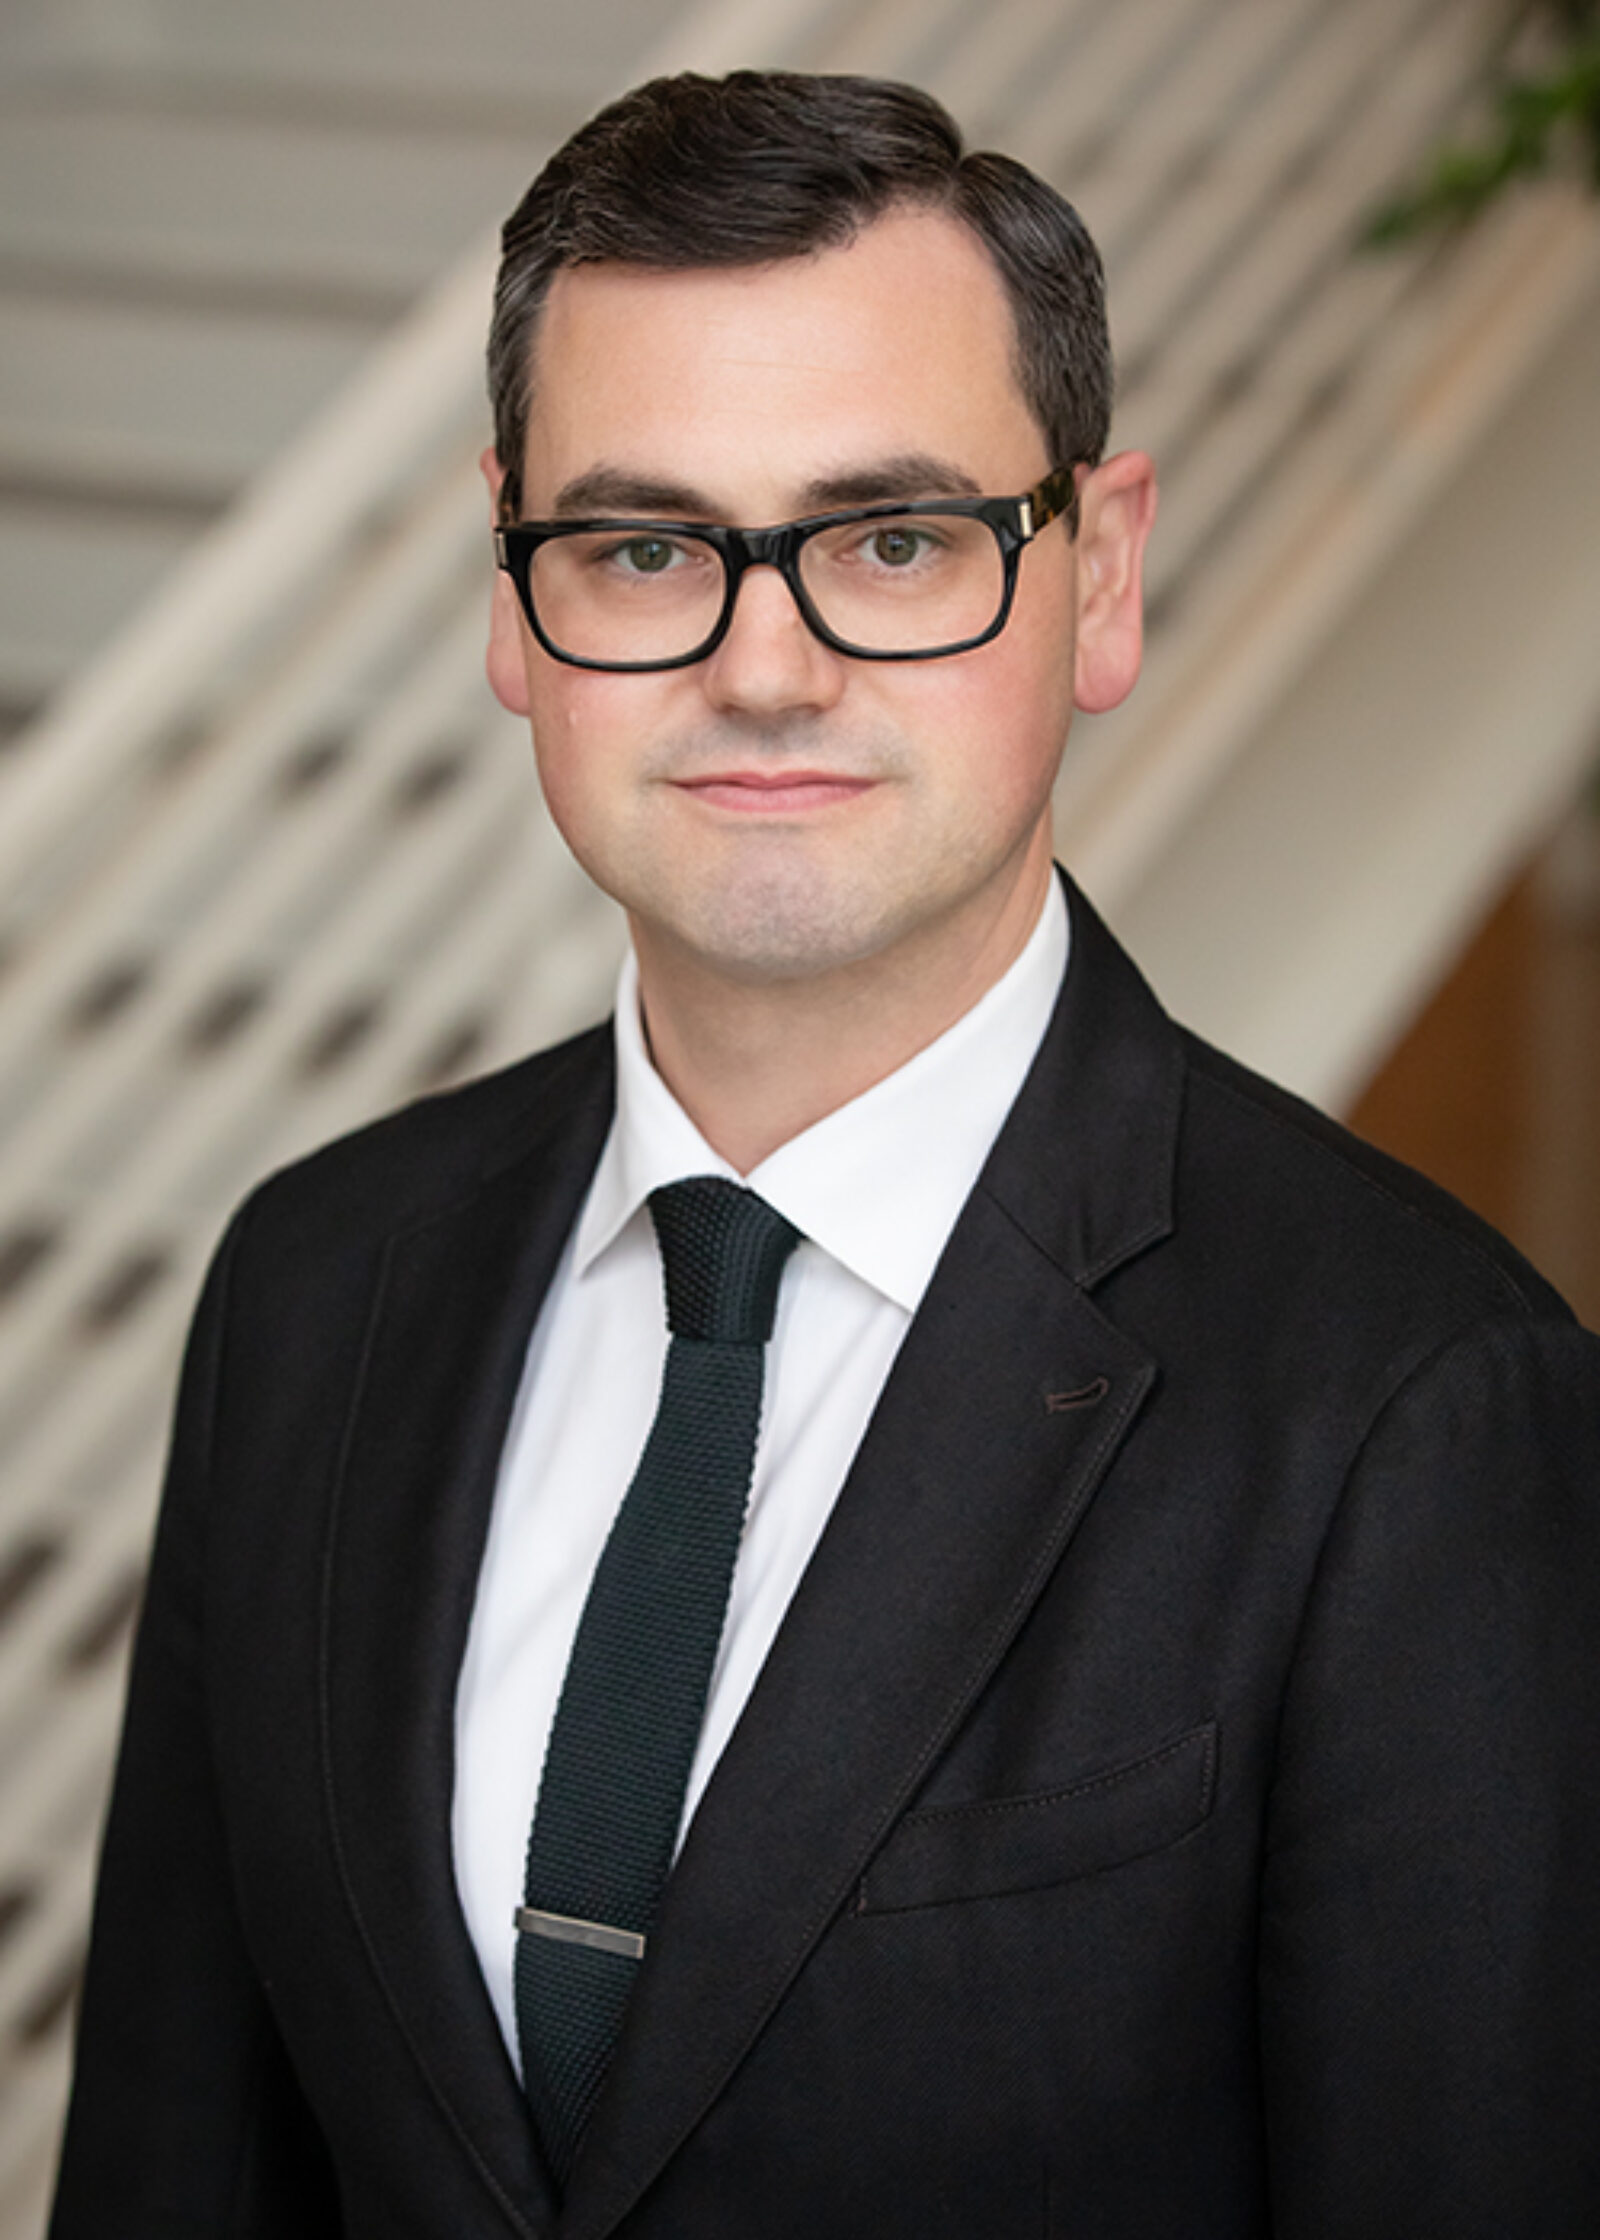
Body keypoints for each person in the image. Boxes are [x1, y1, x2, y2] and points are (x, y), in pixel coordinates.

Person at [49, 69, 1600, 2240]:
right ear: (515, 598)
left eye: (889, 540)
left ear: (1097, 576)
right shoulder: (315, 1285)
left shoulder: (1415, 1404)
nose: (759, 665)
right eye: (643, 544)